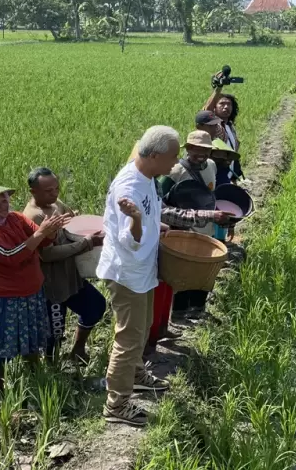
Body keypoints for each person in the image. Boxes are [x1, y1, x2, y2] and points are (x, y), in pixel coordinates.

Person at [97, 125, 181, 426]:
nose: (176, 162)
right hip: (128, 272)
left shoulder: (147, 176)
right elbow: (128, 238)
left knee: (143, 326)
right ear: (156, 155)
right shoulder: (128, 187)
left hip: (143, 268)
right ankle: (116, 405)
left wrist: (152, 224)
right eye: (173, 156)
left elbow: (146, 215)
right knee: (129, 338)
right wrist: (135, 220)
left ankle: (135, 374)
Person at [0, 182, 69, 393]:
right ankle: (0, 392)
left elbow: (42, 242)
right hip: (5, 297)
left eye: (4, 200)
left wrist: (51, 230)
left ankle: (36, 381)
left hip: (31, 290)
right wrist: (41, 234)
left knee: (31, 340)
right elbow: (10, 256)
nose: (3, 205)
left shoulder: (15, 218)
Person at [22, 167, 106, 364]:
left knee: (95, 306)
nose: (54, 193)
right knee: (55, 331)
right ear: (33, 192)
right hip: (52, 283)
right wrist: (85, 243)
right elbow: (46, 254)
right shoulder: (33, 217)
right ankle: (52, 369)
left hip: (70, 276)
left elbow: (70, 218)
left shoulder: (55, 204)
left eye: (56, 188)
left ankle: (78, 349)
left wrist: (75, 220)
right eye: (48, 191)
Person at [160, 131, 233, 316]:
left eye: (205, 150)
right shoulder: (175, 170)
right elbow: (160, 200)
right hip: (182, 228)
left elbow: (211, 196)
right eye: (196, 149)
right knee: (184, 271)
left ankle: (197, 309)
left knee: (203, 269)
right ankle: (179, 311)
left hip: (206, 227)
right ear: (189, 148)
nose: (200, 154)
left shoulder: (211, 166)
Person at [203, 81, 243, 183]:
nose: (226, 107)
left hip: (229, 174)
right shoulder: (215, 126)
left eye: (229, 104)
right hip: (216, 174)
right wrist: (218, 89)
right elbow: (206, 111)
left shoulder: (230, 127)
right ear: (214, 108)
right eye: (222, 104)